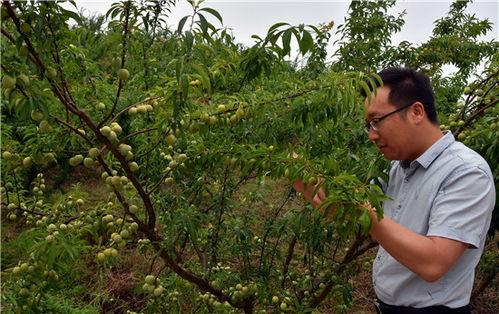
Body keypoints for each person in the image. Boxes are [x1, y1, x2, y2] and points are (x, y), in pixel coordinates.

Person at [292, 67, 495, 313]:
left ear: (416, 111)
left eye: (376, 122)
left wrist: (360, 208)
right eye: (367, 126)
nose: (371, 135)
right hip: (387, 305)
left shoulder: (465, 171)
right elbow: (355, 217)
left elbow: (434, 263)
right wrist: (308, 183)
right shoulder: (397, 168)